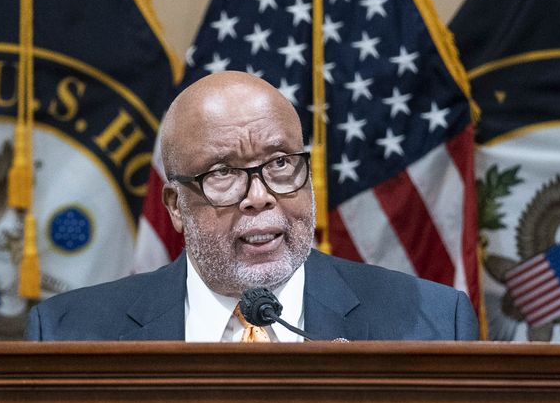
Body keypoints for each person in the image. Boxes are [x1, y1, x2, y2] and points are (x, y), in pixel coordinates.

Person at [26, 71, 476, 342]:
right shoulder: (70, 333)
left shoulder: (432, 323)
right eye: (222, 173)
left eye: (281, 163)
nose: (259, 196)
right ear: (175, 206)